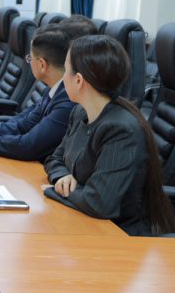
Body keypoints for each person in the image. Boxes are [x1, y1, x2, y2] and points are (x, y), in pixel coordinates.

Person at [44, 35, 175, 236]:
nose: (63, 78)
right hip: (82, 221)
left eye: (66, 70)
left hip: (119, 236)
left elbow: (98, 203)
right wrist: (62, 176)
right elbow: (54, 158)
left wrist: (55, 190)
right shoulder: (80, 112)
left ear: (78, 80)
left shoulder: (120, 129)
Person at [0, 16, 97, 162]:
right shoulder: (54, 89)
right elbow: (24, 124)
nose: (28, 62)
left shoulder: (68, 99)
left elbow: (28, 146)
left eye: (30, 58)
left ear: (42, 64)